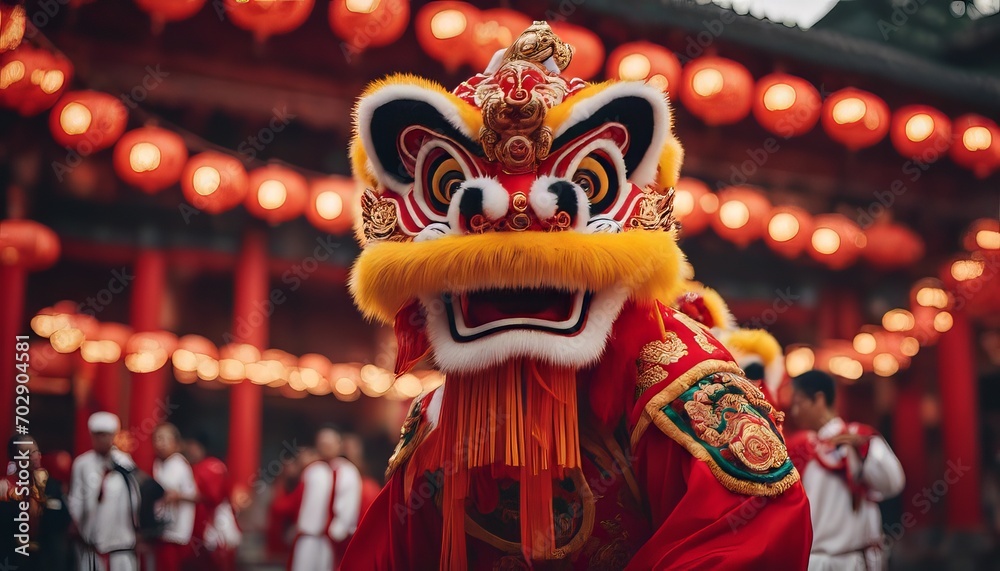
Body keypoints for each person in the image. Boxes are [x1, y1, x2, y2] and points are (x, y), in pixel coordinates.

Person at [340, 22, 811, 569]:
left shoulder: (672, 369)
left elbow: (753, 522)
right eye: (450, 185)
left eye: (586, 183)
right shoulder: (437, 418)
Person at [788, 370, 906, 570]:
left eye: (799, 402)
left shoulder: (858, 438)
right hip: (814, 561)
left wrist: (862, 451)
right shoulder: (800, 448)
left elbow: (893, 483)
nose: (794, 411)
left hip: (851, 561)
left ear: (819, 399)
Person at [67, 412, 140, 571]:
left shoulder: (125, 462)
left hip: (121, 543)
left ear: (114, 436)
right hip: (90, 542)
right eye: (97, 435)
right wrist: (78, 525)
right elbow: (76, 498)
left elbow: (135, 499)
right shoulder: (82, 463)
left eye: (106, 435)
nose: (102, 440)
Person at [184, 433, 240, 571]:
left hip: (211, 524)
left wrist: (184, 496)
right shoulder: (192, 467)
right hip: (195, 527)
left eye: (190, 446)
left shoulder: (211, 466)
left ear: (198, 447)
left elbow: (213, 496)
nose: (187, 450)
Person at [153, 423, 197, 570]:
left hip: (175, 531)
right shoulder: (159, 464)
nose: (160, 444)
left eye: (164, 439)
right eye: (157, 439)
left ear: (175, 443)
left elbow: (194, 495)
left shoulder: (180, 465)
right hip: (161, 528)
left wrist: (178, 496)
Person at [341, 433, 382, 520]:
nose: (347, 453)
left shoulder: (369, 486)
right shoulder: (329, 479)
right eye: (344, 449)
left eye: (353, 448)